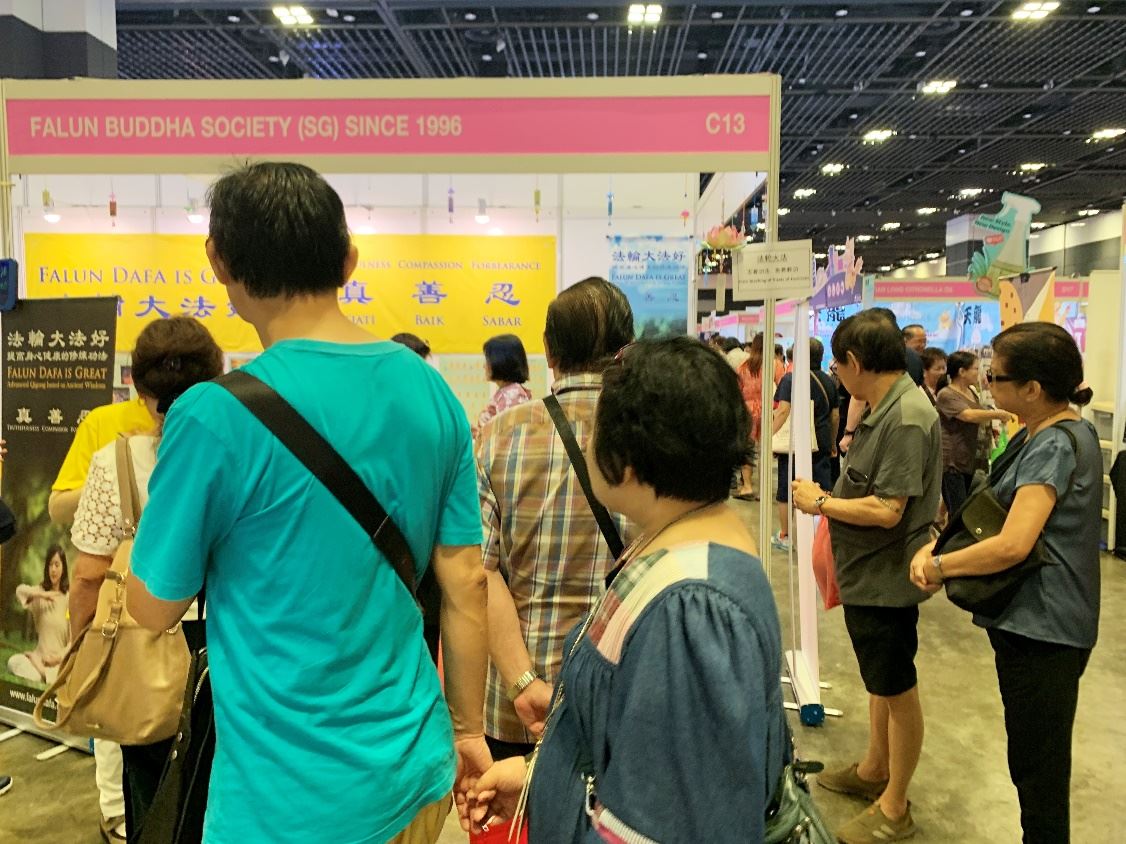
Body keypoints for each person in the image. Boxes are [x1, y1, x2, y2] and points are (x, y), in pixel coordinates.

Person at [124, 162, 491, 844]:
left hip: (282, 803)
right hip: (417, 770)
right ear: (348, 259)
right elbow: (467, 581)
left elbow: (151, 607)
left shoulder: (210, 417)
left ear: (218, 261)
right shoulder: (429, 390)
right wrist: (469, 729)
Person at [461, 337, 789, 841]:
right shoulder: (680, 545)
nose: (586, 441)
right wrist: (541, 779)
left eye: (596, 430)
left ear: (629, 461)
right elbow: (646, 755)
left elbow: (671, 823)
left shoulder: (692, 610)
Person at [910, 323, 1100, 844]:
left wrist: (941, 567)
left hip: (1045, 627)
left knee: (1038, 774)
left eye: (996, 376)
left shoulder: (1053, 445)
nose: (988, 384)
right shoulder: (1054, 432)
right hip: (1041, 621)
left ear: (1033, 388)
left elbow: (1014, 543)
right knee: (1034, 763)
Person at [791, 310, 941, 844]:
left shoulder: (906, 417)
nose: (835, 373)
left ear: (854, 362)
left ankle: (895, 806)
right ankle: (876, 768)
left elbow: (888, 509)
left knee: (897, 689)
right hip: (868, 576)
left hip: (886, 579)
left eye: (837, 364)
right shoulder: (886, 407)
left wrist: (821, 502)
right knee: (881, 682)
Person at [71, 315, 222, 838]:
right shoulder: (240, 449)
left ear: (138, 386)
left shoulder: (114, 462)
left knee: (153, 794)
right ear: (217, 375)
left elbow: (88, 574)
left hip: (145, 644)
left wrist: (81, 646)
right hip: (229, 647)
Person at [476, 276, 632, 760]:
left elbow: (481, 573)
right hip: (626, 694)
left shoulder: (499, 436)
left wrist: (523, 682)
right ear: (626, 350)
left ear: (547, 349)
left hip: (519, 706)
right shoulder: (652, 435)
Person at [49, 377, 156, 844]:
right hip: (123, 609)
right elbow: (58, 507)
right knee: (116, 713)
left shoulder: (215, 422)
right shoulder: (105, 423)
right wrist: (117, 471)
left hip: (197, 613)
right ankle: (116, 813)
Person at [770, 338, 838, 550]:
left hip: (796, 443)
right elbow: (835, 416)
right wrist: (832, 442)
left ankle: (785, 536)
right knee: (821, 489)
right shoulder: (828, 381)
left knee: (786, 489)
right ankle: (819, 538)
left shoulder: (791, 380)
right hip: (821, 441)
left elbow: (783, 411)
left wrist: (769, 438)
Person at [936, 351, 1013, 516]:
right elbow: (968, 415)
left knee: (962, 506)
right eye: (975, 369)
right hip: (952, 461)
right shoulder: (946, 394)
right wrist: (998, 414)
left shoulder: (971, 391)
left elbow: (977, 415)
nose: (978, 373)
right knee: (959, 513)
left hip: (968, 459)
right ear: (961, 372)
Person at [6, 546, 69, 684]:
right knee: (13, 661)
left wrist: (57, 658)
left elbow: (72, 642)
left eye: (57, 565)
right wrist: (42, 594)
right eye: (50, 565)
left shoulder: (68, 599)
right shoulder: (40, 596)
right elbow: (20, 591)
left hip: (58, 663)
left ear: (63, 568)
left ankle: (43, 673)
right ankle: (43, 674)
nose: (53, 569)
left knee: (68, 675)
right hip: (38, 658)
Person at [734, 333, 785, 499]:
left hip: (747, 410)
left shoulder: (744, 366)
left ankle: (747, 486)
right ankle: (764, 490)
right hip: (766, 408)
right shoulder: (775, 364)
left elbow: (737, 389)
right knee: (765, 449)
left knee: (748, 449)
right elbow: (783, 386)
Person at [474, 334, 532, 437]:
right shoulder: (508, 393)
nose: (484, 366)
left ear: (501, 361)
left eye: (488, 360)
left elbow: (505, 438)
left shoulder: (512, 397)